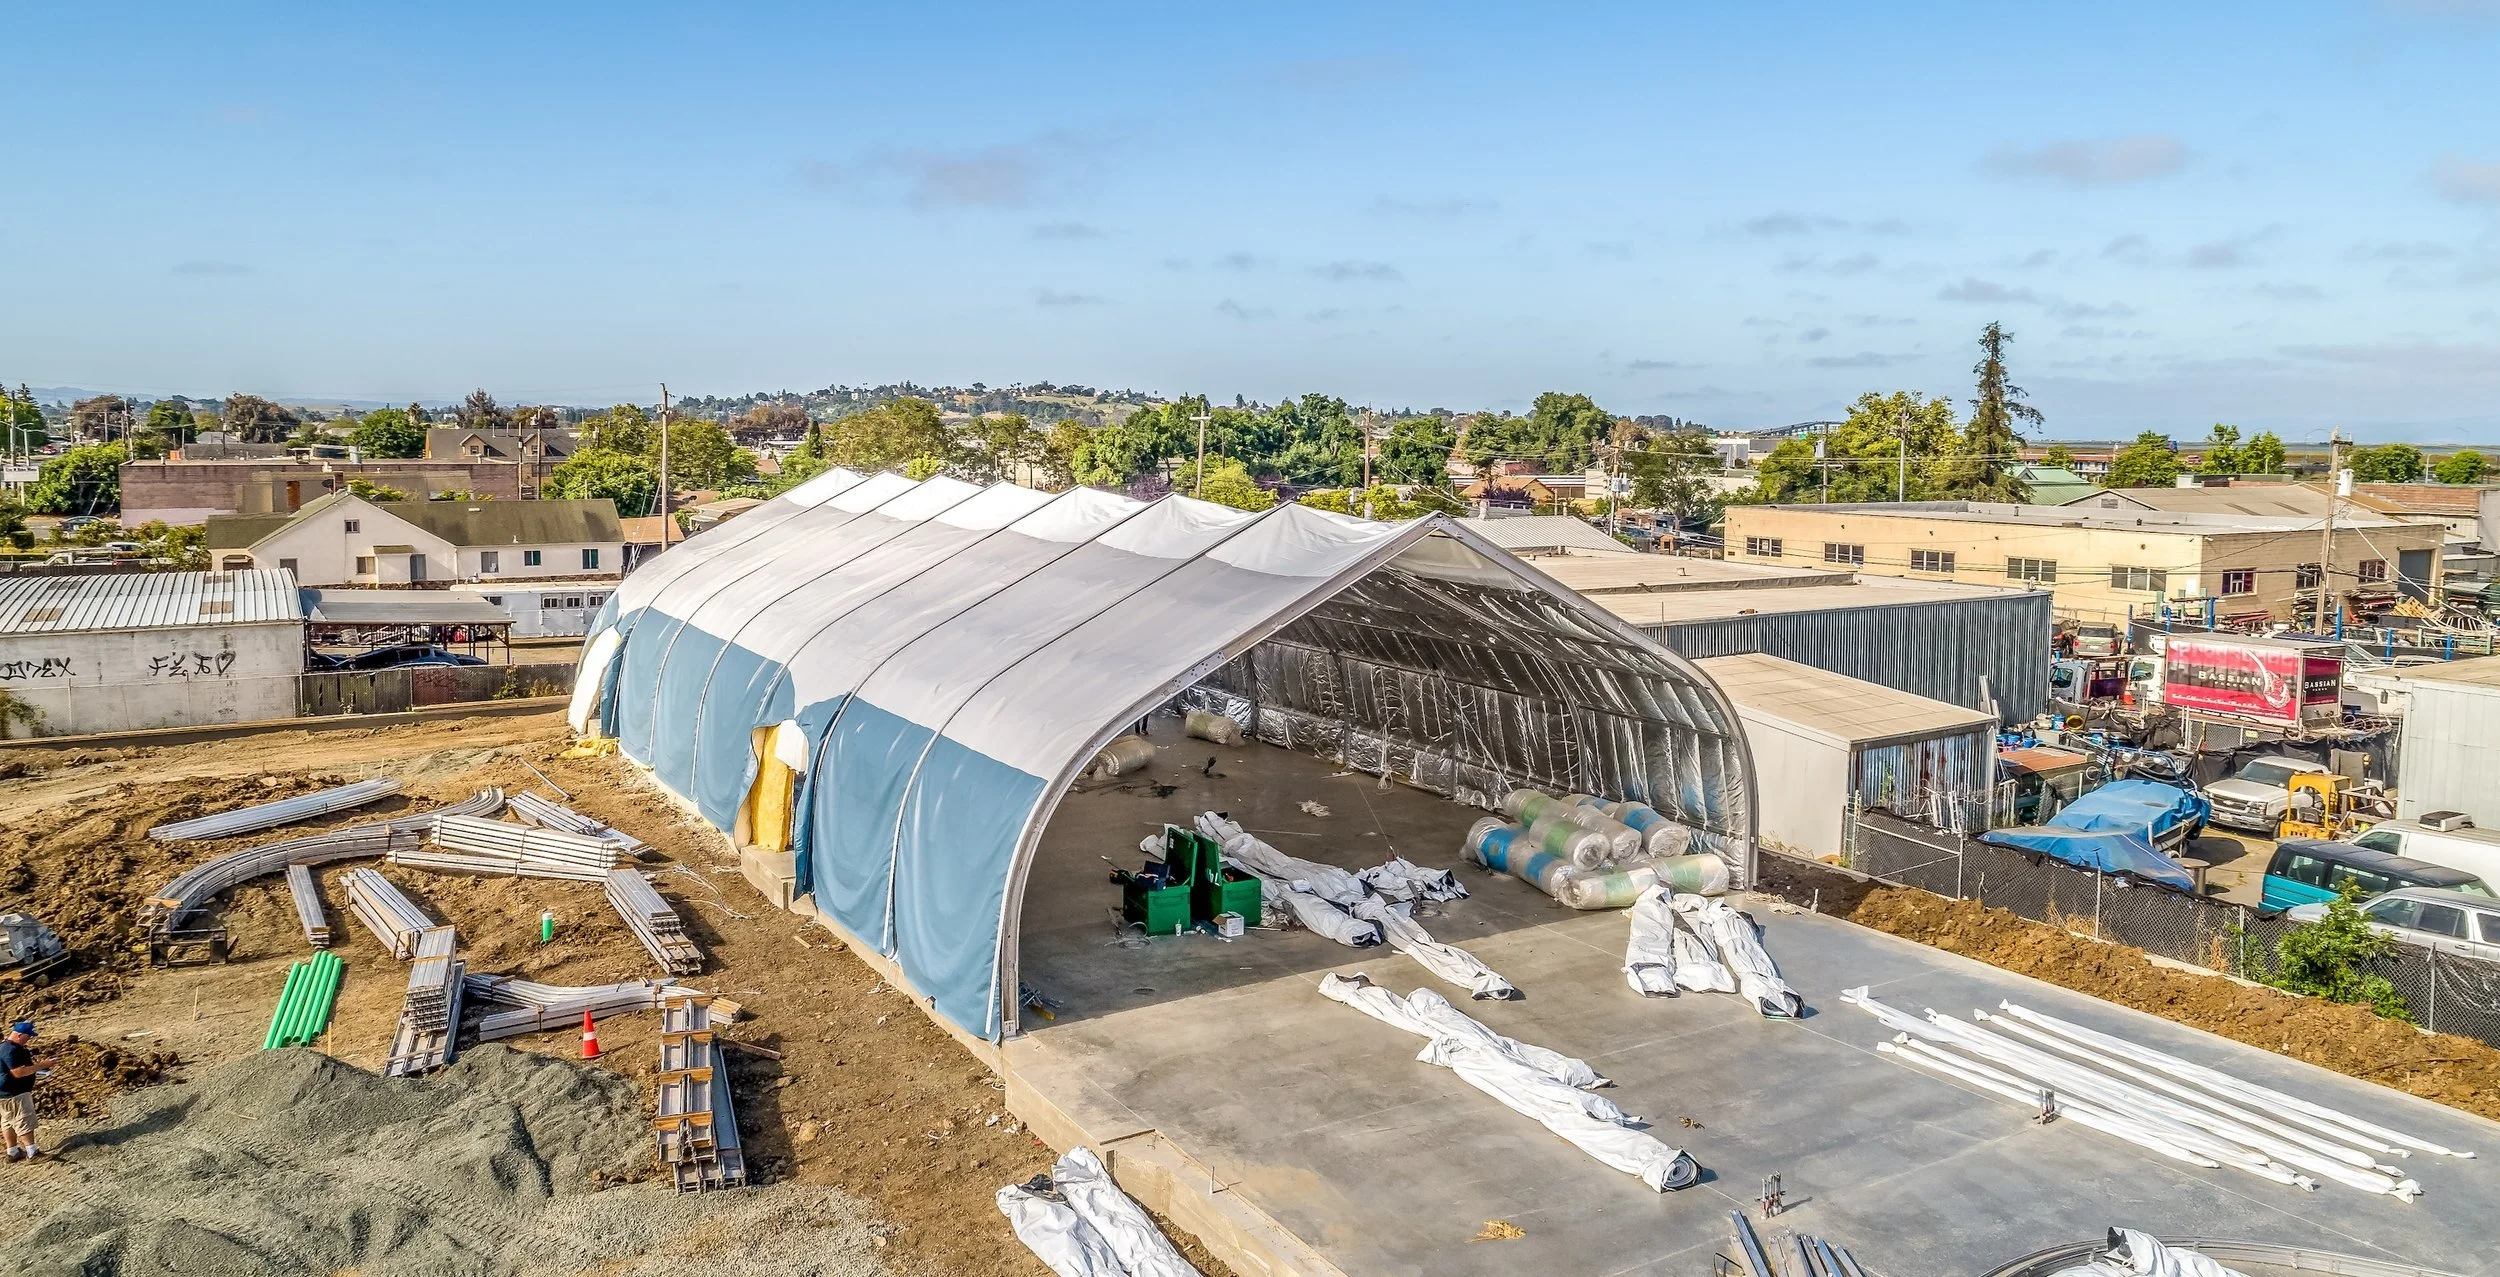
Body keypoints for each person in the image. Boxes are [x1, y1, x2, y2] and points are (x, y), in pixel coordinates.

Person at [0, 1020, 51, 1162]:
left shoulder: (2, 1047)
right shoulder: (11, 1049)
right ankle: (32, 1153)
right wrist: (42, 1065)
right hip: (15, 1092)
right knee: (23, 1119)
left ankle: (12, 1152)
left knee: (8, 1121)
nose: (29, 1039)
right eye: (28, 1036)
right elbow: (18, 1072)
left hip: (3, 1093)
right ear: (19, 1035)